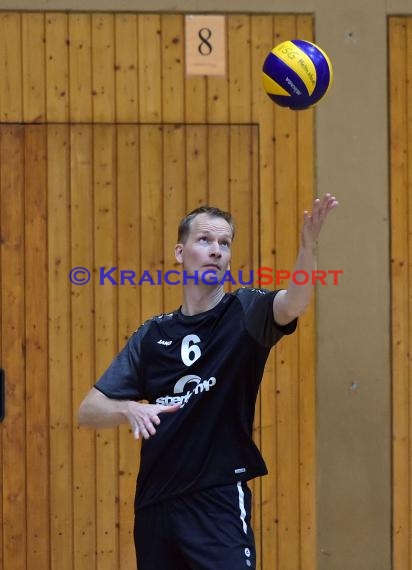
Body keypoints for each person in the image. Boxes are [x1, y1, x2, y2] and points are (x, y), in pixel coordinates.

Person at [78, 194, 338, 570]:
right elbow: (89, 411)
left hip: (215, 498)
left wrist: (308, 247)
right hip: (156, 504)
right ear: (180, 253)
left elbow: (293, 303)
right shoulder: (152, 335)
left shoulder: (245, 311)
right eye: (205, 241)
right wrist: (127, 408)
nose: (216, 250)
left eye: (225, 244)